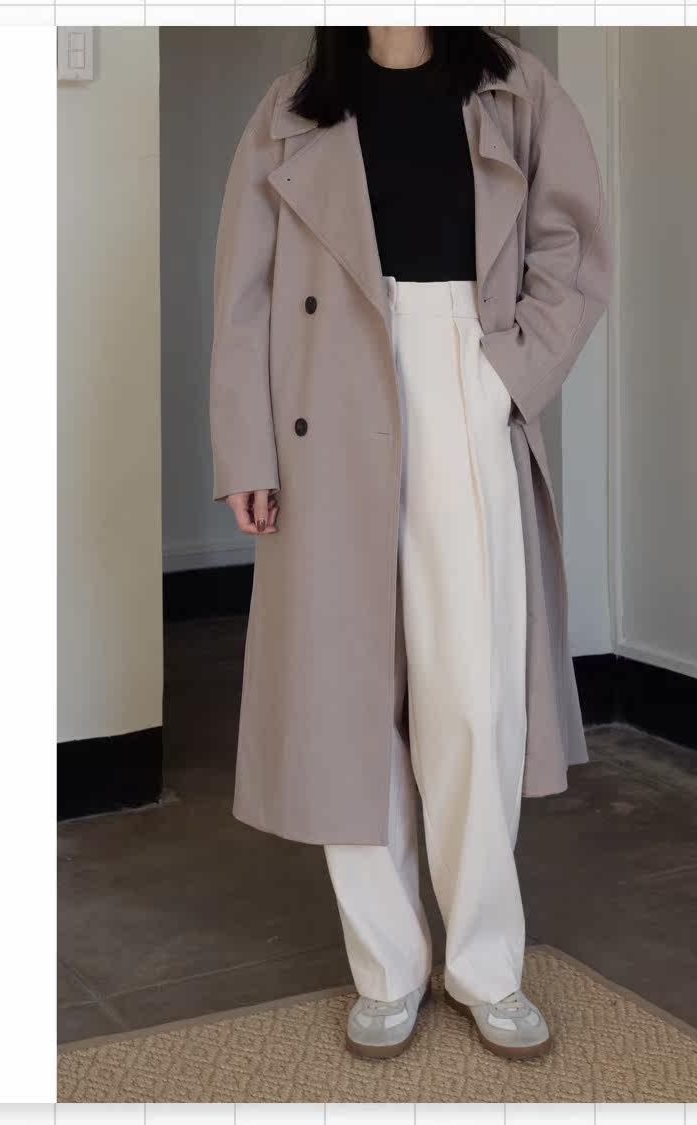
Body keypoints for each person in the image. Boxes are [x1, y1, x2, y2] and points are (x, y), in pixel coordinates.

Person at [208, 25, 611, 1061]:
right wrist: (246, 447)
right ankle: (385, 967)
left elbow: (571, 245)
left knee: (472, 695)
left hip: (465, 378)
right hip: (325, 395)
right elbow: (244, 293)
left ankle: (485, 963)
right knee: (345, 698)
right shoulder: (292, 108)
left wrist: (504, 376)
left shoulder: (517, 90)